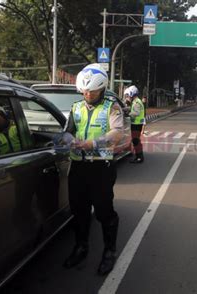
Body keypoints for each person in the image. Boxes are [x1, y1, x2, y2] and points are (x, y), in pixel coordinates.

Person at [62, 63, 124, 276]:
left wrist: (93, 143)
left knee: (103, 211)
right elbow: (67, 131)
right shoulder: (76, 107)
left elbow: (117, 133)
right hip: (78, 168)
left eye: (92, 91)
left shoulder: (111, 107)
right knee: (78, 210)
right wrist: (71, 140)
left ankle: (109, 251)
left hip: (101, 168)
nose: (88, 94)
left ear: (102, 89)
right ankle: (81, 247)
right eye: (85, 91)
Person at [124, 85, 145, 163]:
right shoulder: (136, 101)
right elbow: (132, 109)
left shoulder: (136, 102)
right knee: (136, 140)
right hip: (136, 123)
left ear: (132, 93)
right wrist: (125, 109)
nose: (128, 96)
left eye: (129, 95)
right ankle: (138, 156)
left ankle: (139, 157)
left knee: (135, 140)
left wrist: (127, 114)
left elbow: (136, 113)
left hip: (136, 124)